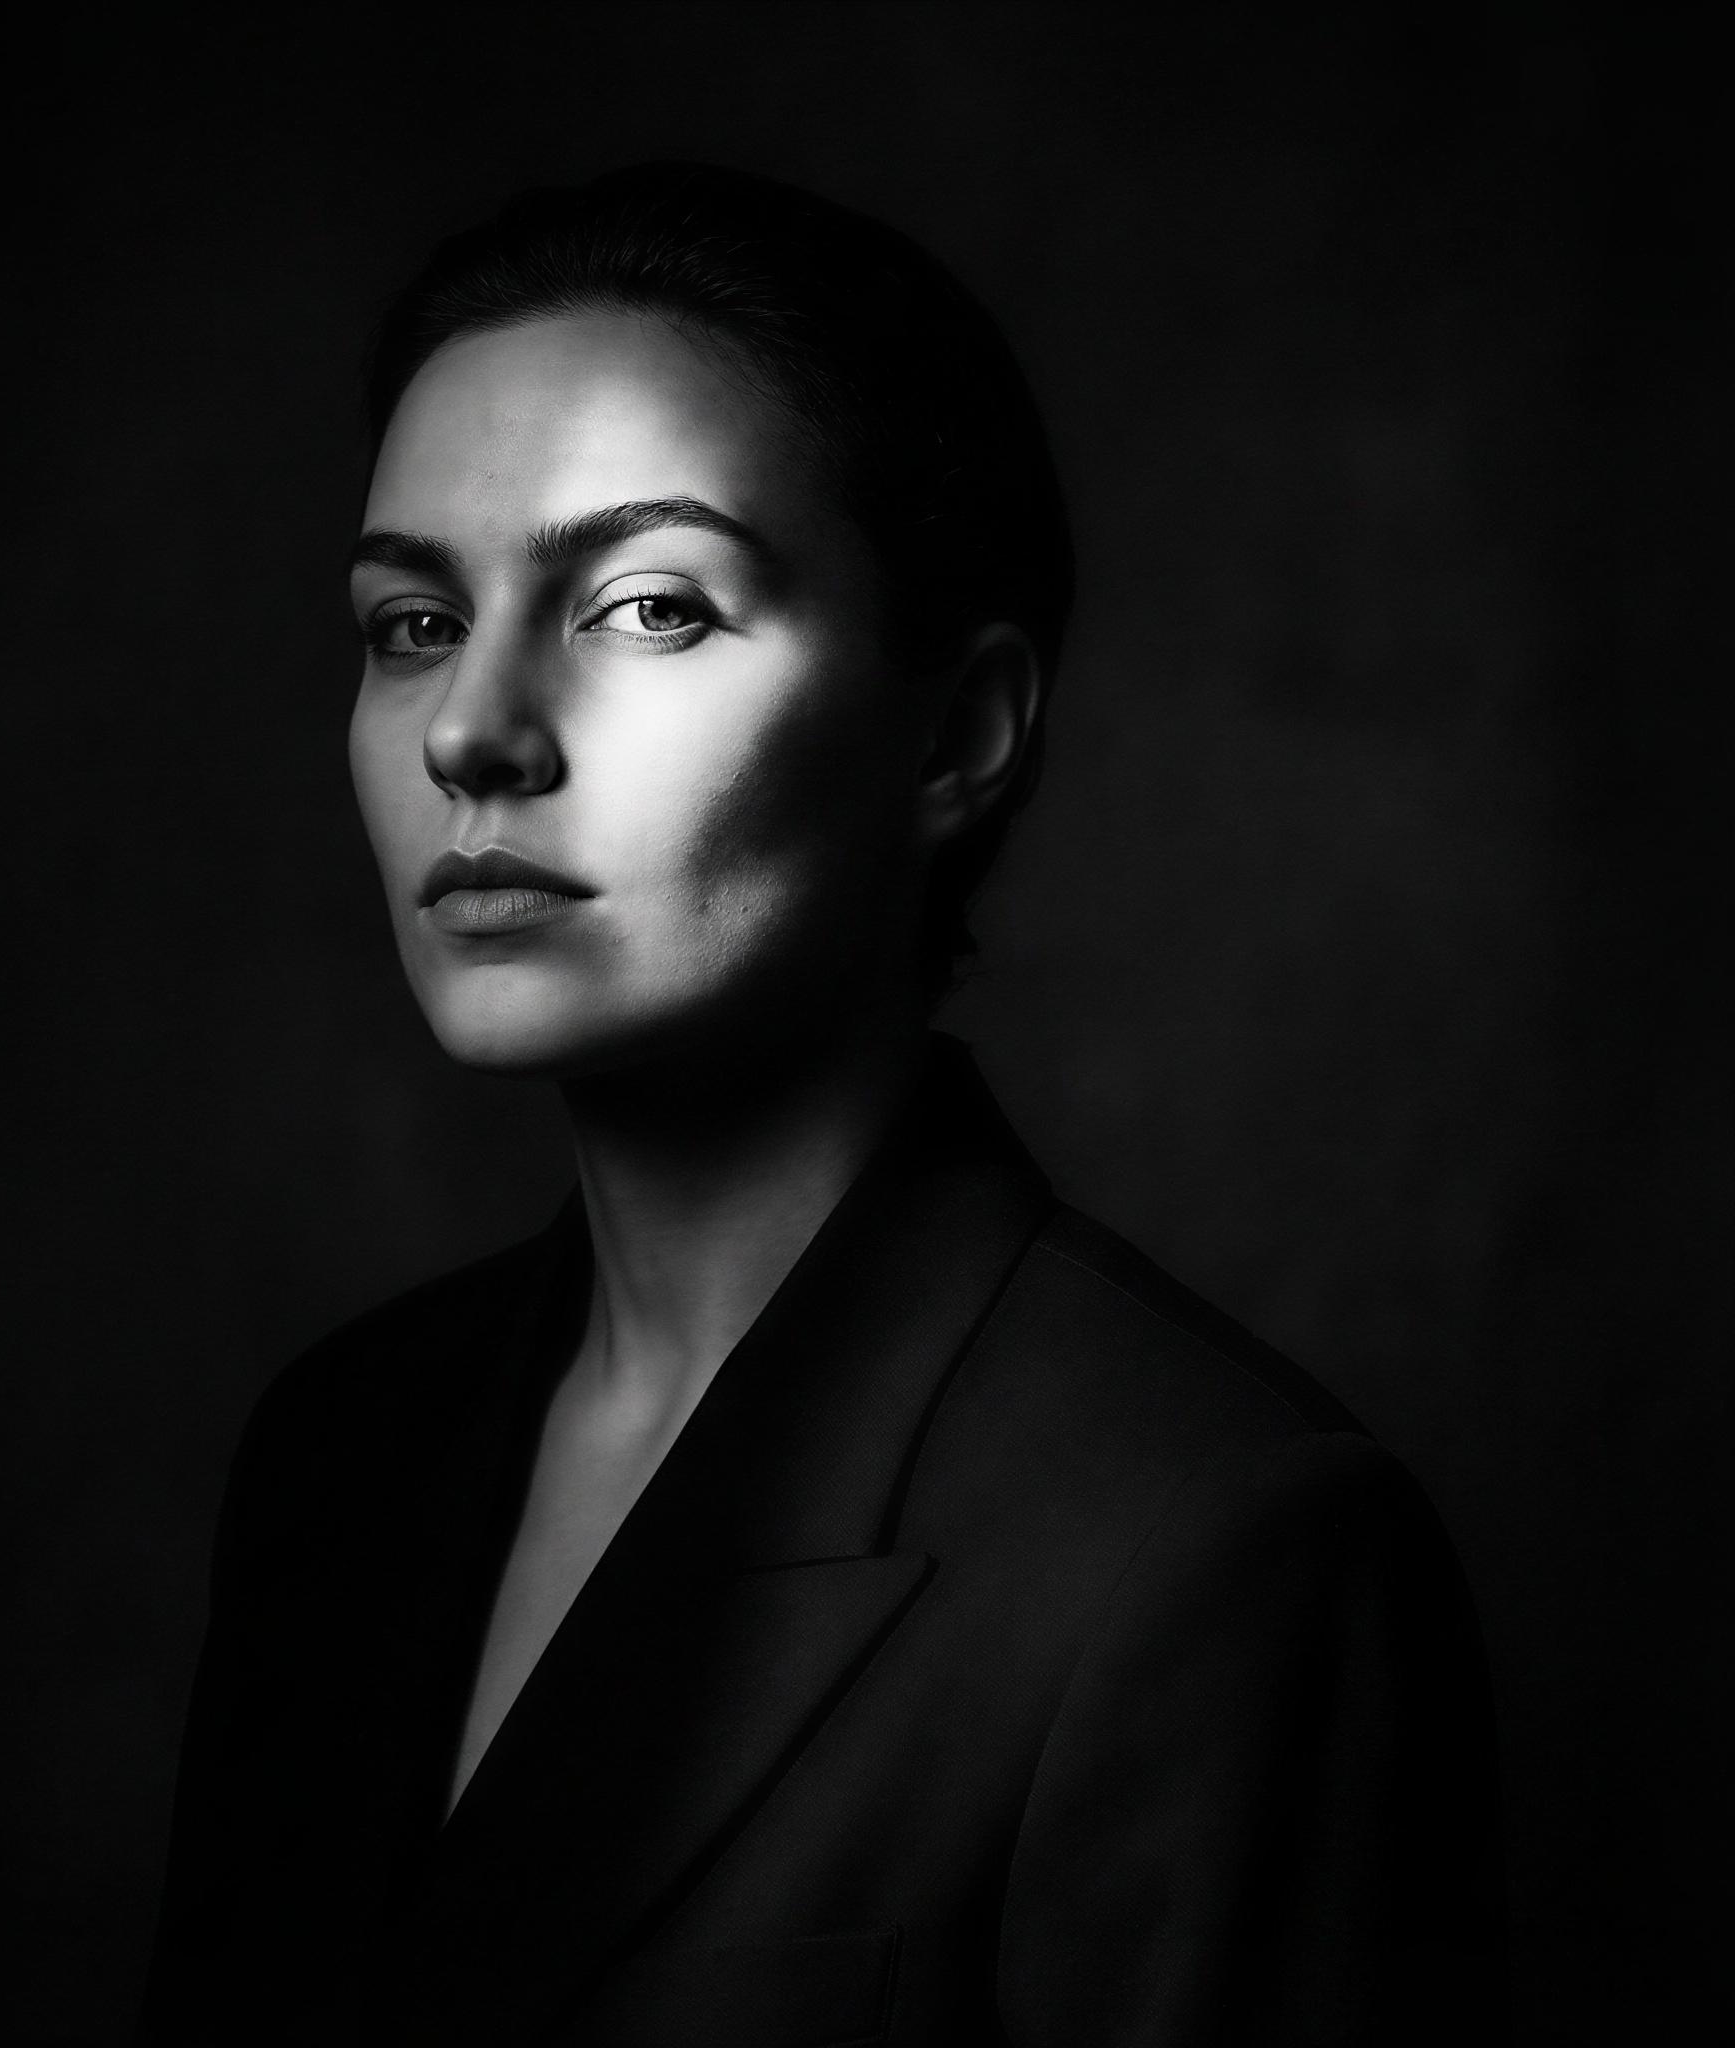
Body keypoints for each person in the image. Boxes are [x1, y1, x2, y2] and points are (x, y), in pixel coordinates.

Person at [137, 163, 1505, 2046]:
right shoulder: (339, 1456)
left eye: (645, 607)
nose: (473, 729)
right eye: (410, 624)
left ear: (956, 734)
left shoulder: (1214, 1555)